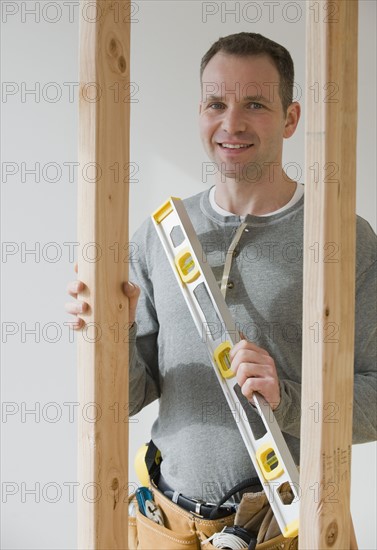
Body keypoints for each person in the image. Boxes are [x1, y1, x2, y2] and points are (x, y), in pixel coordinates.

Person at [66, 33, 377, 505]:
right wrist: (110, 334)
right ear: (200, 113)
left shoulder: (342, 237)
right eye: (216, 104)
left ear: (291, 119)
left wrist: (286, 398)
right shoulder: (159, 235)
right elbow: (128, 397)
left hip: (289, 531)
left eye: (255, 104)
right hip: (166, 522)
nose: (231, 124)